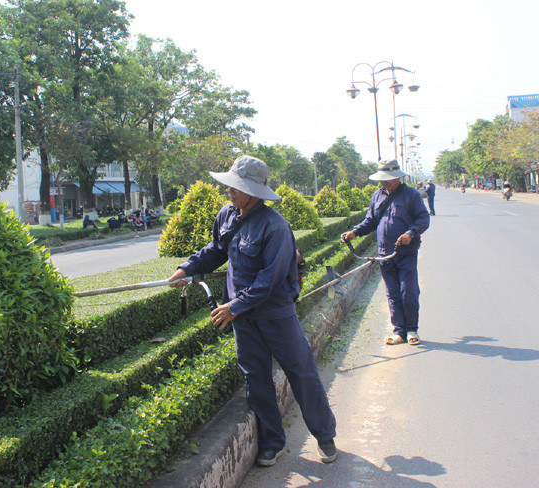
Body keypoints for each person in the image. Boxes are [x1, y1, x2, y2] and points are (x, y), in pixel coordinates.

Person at [168, 155, 337, 467]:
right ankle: (273, 442)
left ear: (256, 192)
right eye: (229, 185)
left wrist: (233, 306)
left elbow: (269, 281)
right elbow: (215, 251)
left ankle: (325, 436)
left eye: (237, 187)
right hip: (244, 319)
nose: (229, 191)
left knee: (301, 372)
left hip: (275, 315)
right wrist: (187, 268)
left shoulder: (275, 227)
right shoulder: (227, 216)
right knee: (256, 379)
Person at [341, 160, 430, 346]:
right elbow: (370, 221)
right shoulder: (377, 196)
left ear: (398, 177)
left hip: (405, 252)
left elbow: (423, 218)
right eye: (382, 180)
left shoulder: (411, 195)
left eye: (388, 179)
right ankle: (398, 331)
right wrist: (354, 232)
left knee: (408, 290)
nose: (385, 183)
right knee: (392, 293)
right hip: (384, 254)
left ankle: (412, 329)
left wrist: (410, 233)